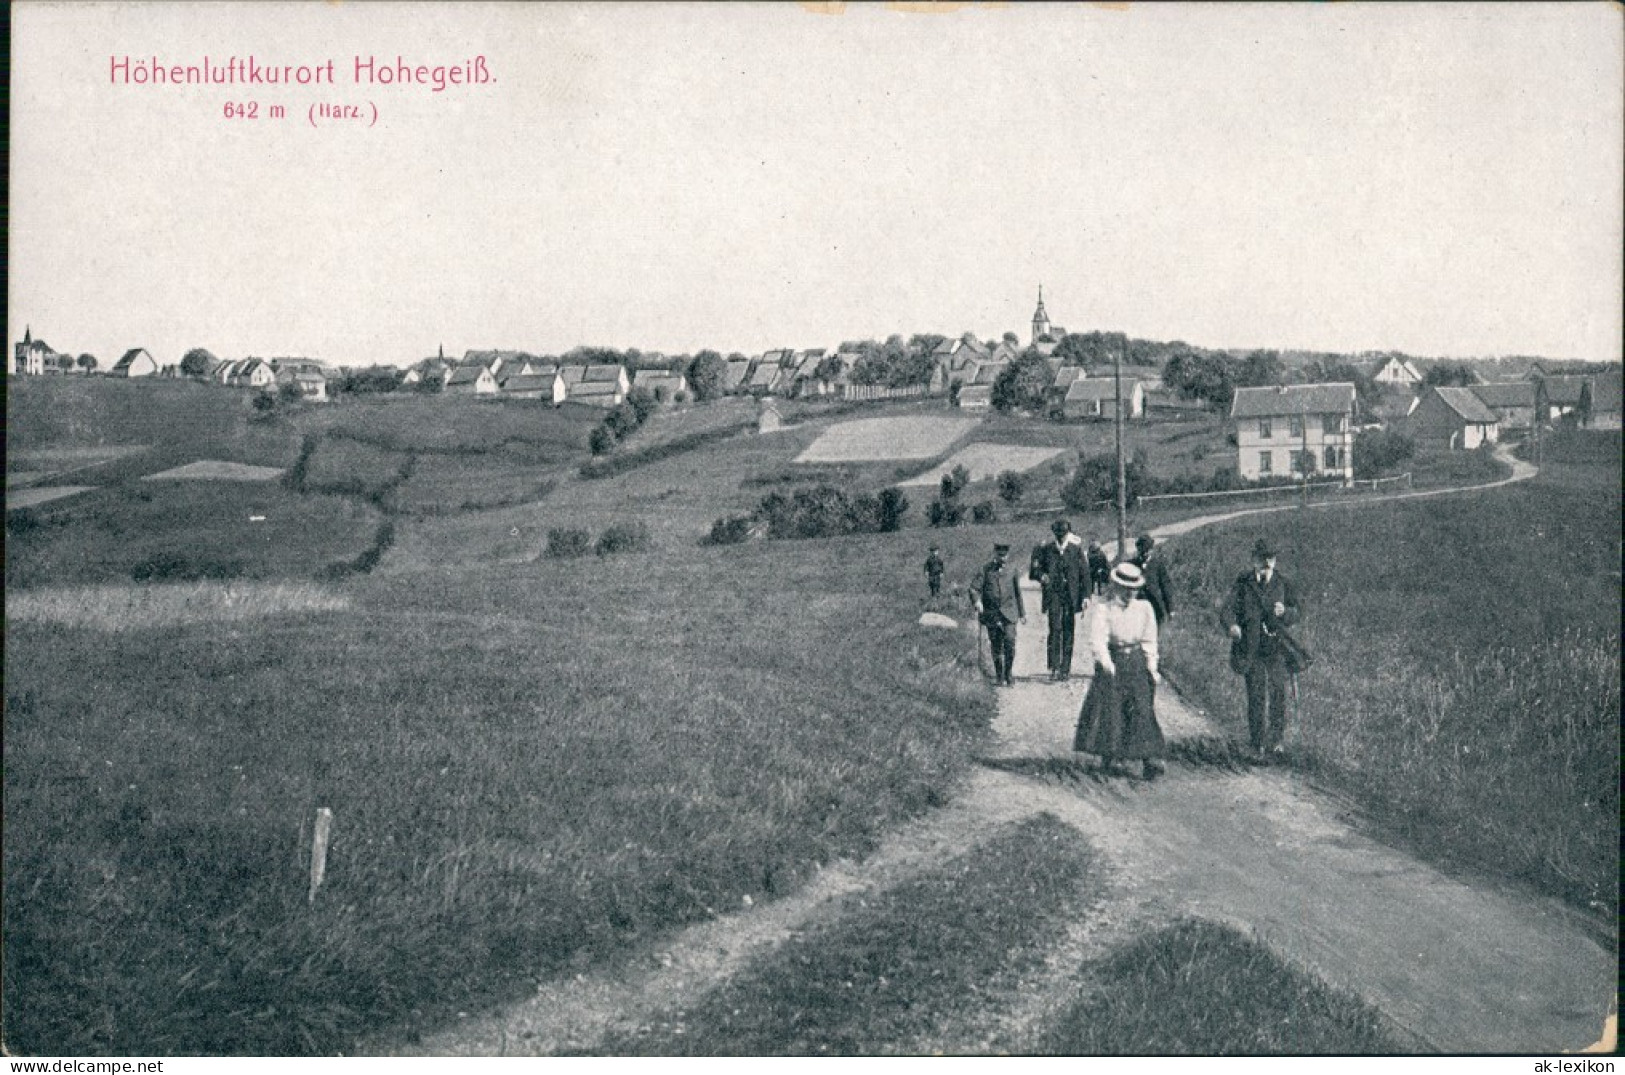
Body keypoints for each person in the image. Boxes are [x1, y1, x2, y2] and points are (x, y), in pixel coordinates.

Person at [1074, 562, 1166, 779]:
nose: (1129, 594)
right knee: (1111, 710)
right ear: (1116, 586)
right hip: (1113, 660)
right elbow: (1098, 640)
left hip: (1135, 661)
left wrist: (1151, 667)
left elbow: (1149, 640)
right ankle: (1109, 755)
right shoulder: (1104, 609)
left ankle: (1149, 758)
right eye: (1125, 589)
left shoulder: (1144, 608)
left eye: (1133, 589)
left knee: (1142, 708)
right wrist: (1107, 664)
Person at [1220, 538, 1302, 762]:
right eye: (1262, 558)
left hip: (1275, 647)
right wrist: (1232, 626)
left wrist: (1285, 612)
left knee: (1277, 692)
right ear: (1254, 559)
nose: (1267, 562)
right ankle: (1257, 743)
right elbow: (1227, 610)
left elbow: (1297, 611)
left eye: (1271, 558)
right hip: (1251, 648)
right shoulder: (1243, 582)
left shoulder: (1283, 583)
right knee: (1256, 694)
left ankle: (1276, 741)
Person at [1030, 519, 1087, 680]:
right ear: (1054, 534)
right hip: (1053, 595)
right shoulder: (1047, 550)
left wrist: (1086, 597)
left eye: (1064, 534)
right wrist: (1042, 575)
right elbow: (1034, 570)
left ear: (1068, 533)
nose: (1061, 537)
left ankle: (1065, 669)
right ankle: (1054, 667)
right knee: (1055, 629)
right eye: (1058, 534)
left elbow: (1085, 575)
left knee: (1068, 631)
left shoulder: (1075, 550)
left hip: (1070, 597)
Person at [974, 542, 1026, 687]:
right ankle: (999, 675)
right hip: (992, 614)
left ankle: (1008, 674)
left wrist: (1022, 613)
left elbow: (1017, 593)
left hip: (1009, 613)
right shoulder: (986, 570)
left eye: (1005, 555)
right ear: (995, 554)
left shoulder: (1012, 570)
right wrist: (977, 601)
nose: (1002, 558)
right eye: (1000, 555)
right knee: (996, 645)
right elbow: (974, 588)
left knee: (1010, 642)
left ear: (1008, 555)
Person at [1132, 534, 1174, 626]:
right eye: (1141, 550)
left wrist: (1170, 609)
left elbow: (1166, 586)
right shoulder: (1132, 564)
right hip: (1137, 606)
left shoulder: (1158, 565)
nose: (1145, 553)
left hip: (1154, 606)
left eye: (1147, 550)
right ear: (1138, 549)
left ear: (1152, 550)